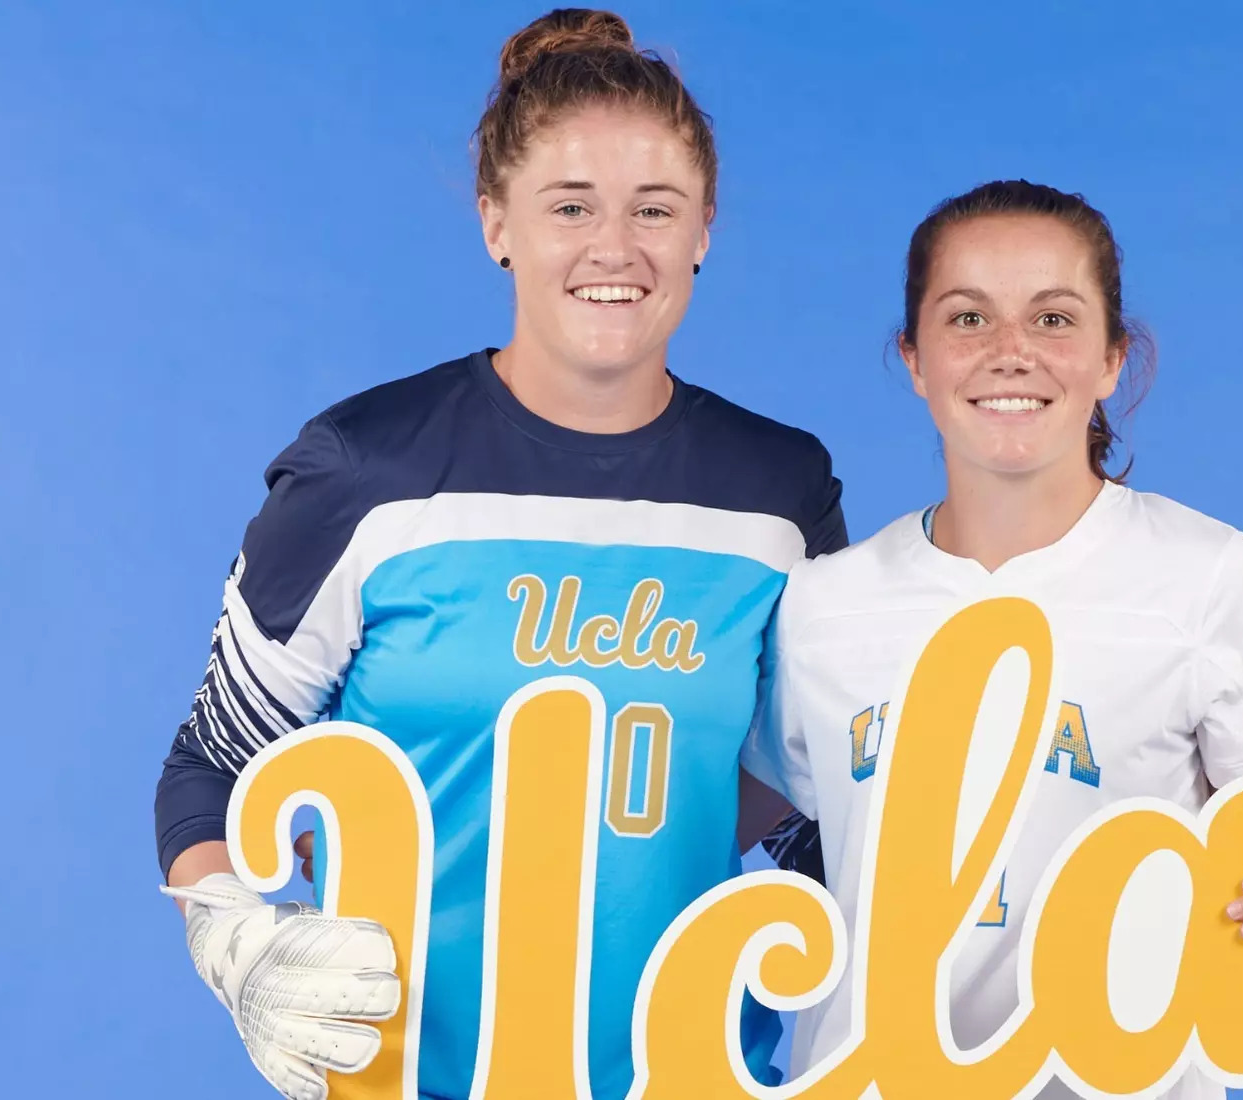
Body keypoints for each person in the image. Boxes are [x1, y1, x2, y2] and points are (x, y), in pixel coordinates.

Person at [151, 10, 843, 1100]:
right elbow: (210, 767)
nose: (614, 248)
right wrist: (236, 940)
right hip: (409, 1079)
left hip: (702, 1079)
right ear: (495, 222)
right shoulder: (363, 471)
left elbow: (813, 802)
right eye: (570, 206)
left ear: (705, 227)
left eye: (654, 209)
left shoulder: (779, 494)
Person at [740, 180, 1243, 1098]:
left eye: (1055, 319)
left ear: (1114, 357)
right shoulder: (824, 608)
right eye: (967, 318)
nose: (1011, 352)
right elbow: (707, 833)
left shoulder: (1204, 577)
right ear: (914, 358)